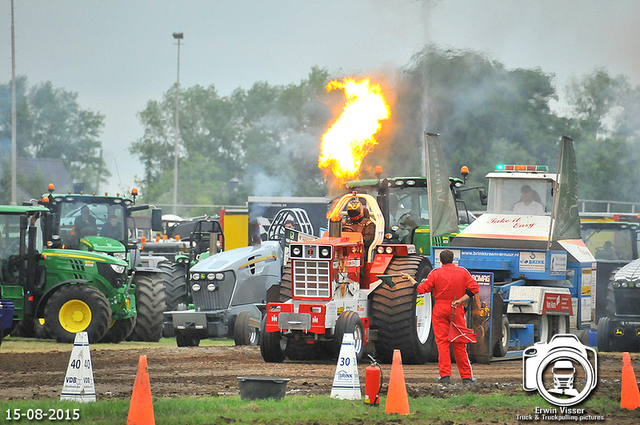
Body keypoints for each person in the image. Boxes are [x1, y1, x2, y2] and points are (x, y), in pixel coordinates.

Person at [401, 249, 479, 384]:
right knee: (460, 344)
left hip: (439, 309)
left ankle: (445, 376)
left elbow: (421, 289)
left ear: (440, 260)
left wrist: (410, 279)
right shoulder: (462, 272)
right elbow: (474, 289)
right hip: (456, 308)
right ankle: (466, 377)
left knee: (442, 344)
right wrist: (460, 300)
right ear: (453, 259)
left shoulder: (435, 273)